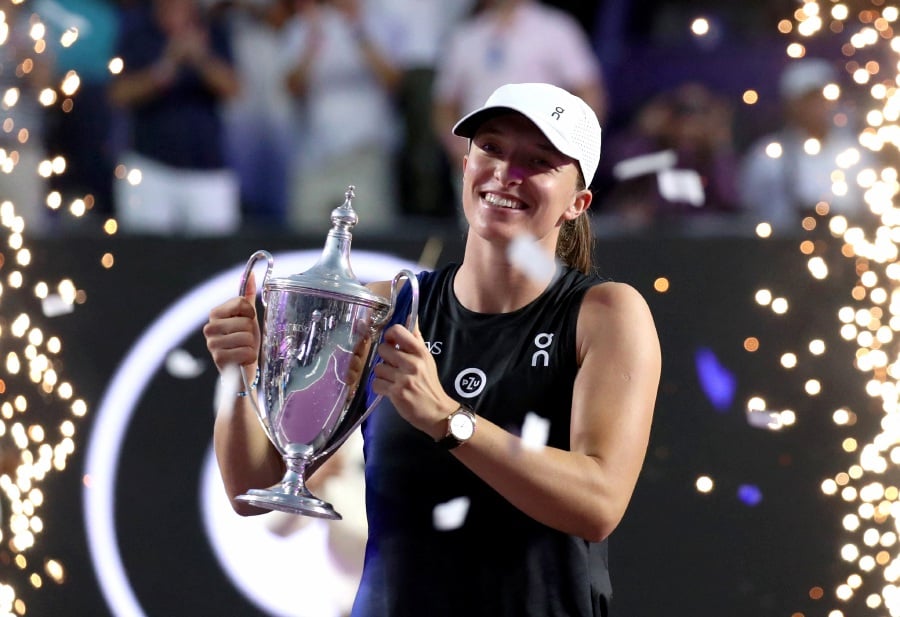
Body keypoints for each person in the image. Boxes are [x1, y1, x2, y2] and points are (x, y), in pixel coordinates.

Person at [204, 82, 661, 616]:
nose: (506, 173)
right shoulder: (388, 308)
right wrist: (243, 375)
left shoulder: (605, 314)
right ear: (465, 164)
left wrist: (447, 418)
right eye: (490, 148)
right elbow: (251, 488)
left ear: (576, 203)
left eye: (539, 160)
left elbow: (600, 503)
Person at [432, 0, 608, 181]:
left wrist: (577, 149)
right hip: (479, 154)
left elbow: (589, 91)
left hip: (540, 156)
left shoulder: (556, 29)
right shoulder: (465, 36)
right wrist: (457, 147)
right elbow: (445, 104)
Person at [108, 0, 242, 236]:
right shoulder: (138, 29)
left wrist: (200, 59)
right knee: (146, 259)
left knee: (218, 258)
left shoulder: (213, 29)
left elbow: (233, 88)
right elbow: (119, 93)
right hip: (149, 167)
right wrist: (166, 66)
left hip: (207, 169)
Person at [281, 0, 404, 236]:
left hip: (364, 150)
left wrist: (357, 30)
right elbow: (291, 87)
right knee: (306, 238)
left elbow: (393, 80)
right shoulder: (304, 25)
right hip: (314, 155)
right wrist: (312, 43)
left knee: (369, 236)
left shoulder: (381, 20)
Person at [738, 57, 876, 233]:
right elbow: (750, 207)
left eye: (822, 97)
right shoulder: (767, 155)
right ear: (791, 104)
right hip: (782, 251)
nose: (817, 105)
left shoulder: (856, 153)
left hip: (846, 248)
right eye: (808, 99)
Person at [596, 81, 741, 230]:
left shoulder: (711, 156)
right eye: (681, 112)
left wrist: (720, 146)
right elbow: (618, 171)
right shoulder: (649, 148)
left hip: (702, 242)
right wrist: (642, 133)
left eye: (699, 114)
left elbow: (729, 199)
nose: (689, 124)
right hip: (647, 237)